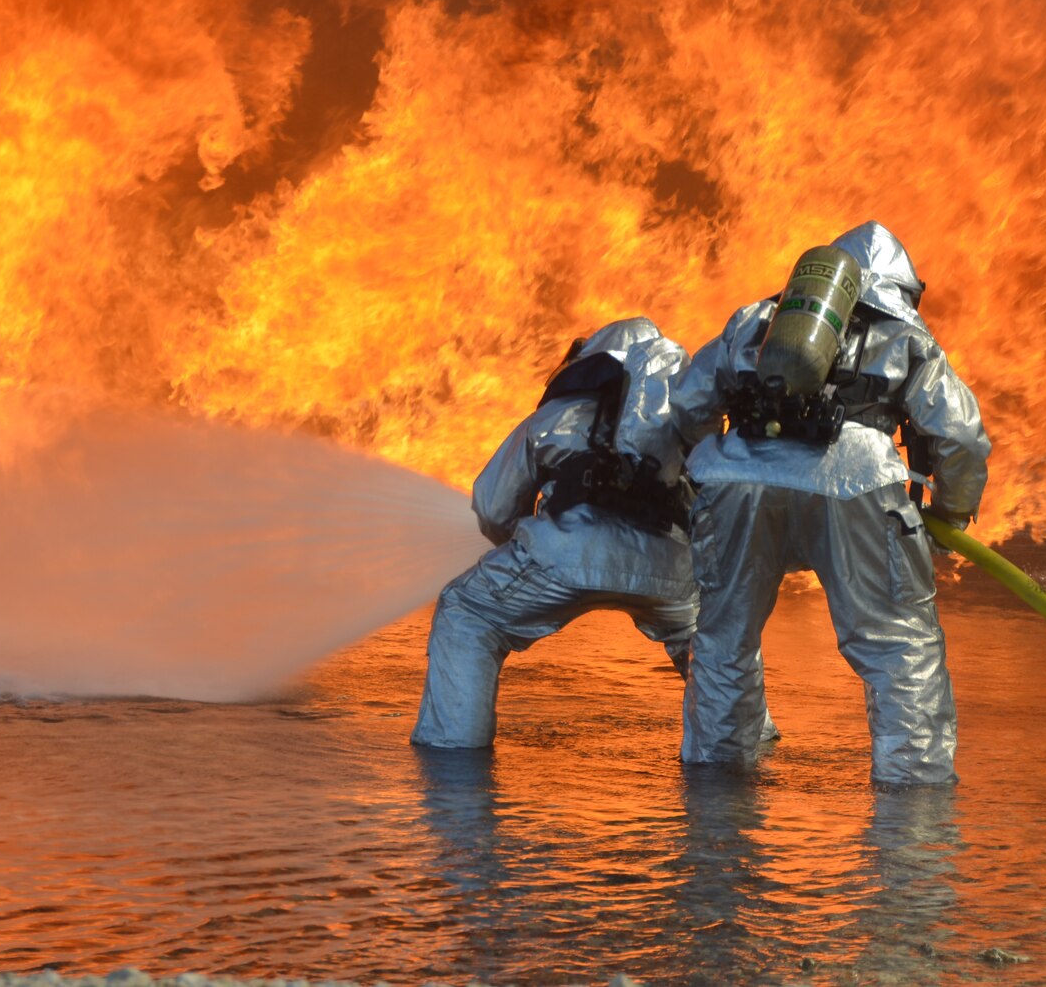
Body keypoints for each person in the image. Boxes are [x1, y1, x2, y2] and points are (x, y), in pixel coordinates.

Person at [672, 222, 990, 785]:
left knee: (724, 638)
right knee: (898, 652)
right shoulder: (905, 333)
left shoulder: (756, 320)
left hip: (738, 479)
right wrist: (950, 513)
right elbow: (960, 437)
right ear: (901, 288)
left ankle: (716, 804)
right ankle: (912, 819)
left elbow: (689, 403)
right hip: (857, 479)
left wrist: (709, 466)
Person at [412, 317, 700, 749]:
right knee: (716, 648)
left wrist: (525, 549)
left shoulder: (555, 415)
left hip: (562, 554)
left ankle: (454, 763)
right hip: (672, 569)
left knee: (465, 612)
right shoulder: (681, 424)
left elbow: (493, 507)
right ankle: (736, 761)